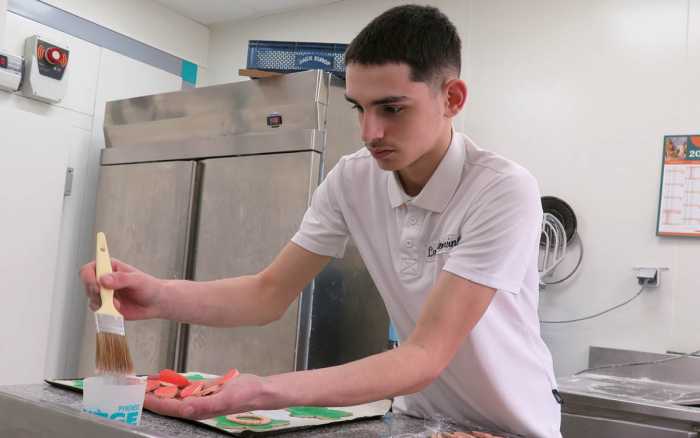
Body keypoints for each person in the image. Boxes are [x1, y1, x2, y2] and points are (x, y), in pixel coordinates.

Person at [81, 5, 561, 437]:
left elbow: (424, 356)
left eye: (392, 109)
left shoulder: (500, 189)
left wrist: (262, 391)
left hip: (513, 426)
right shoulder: (354, 178)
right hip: (422, 423)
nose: (370, 132)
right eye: (360, 108)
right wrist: (158, 294)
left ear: (452, 98)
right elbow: (267, 294)